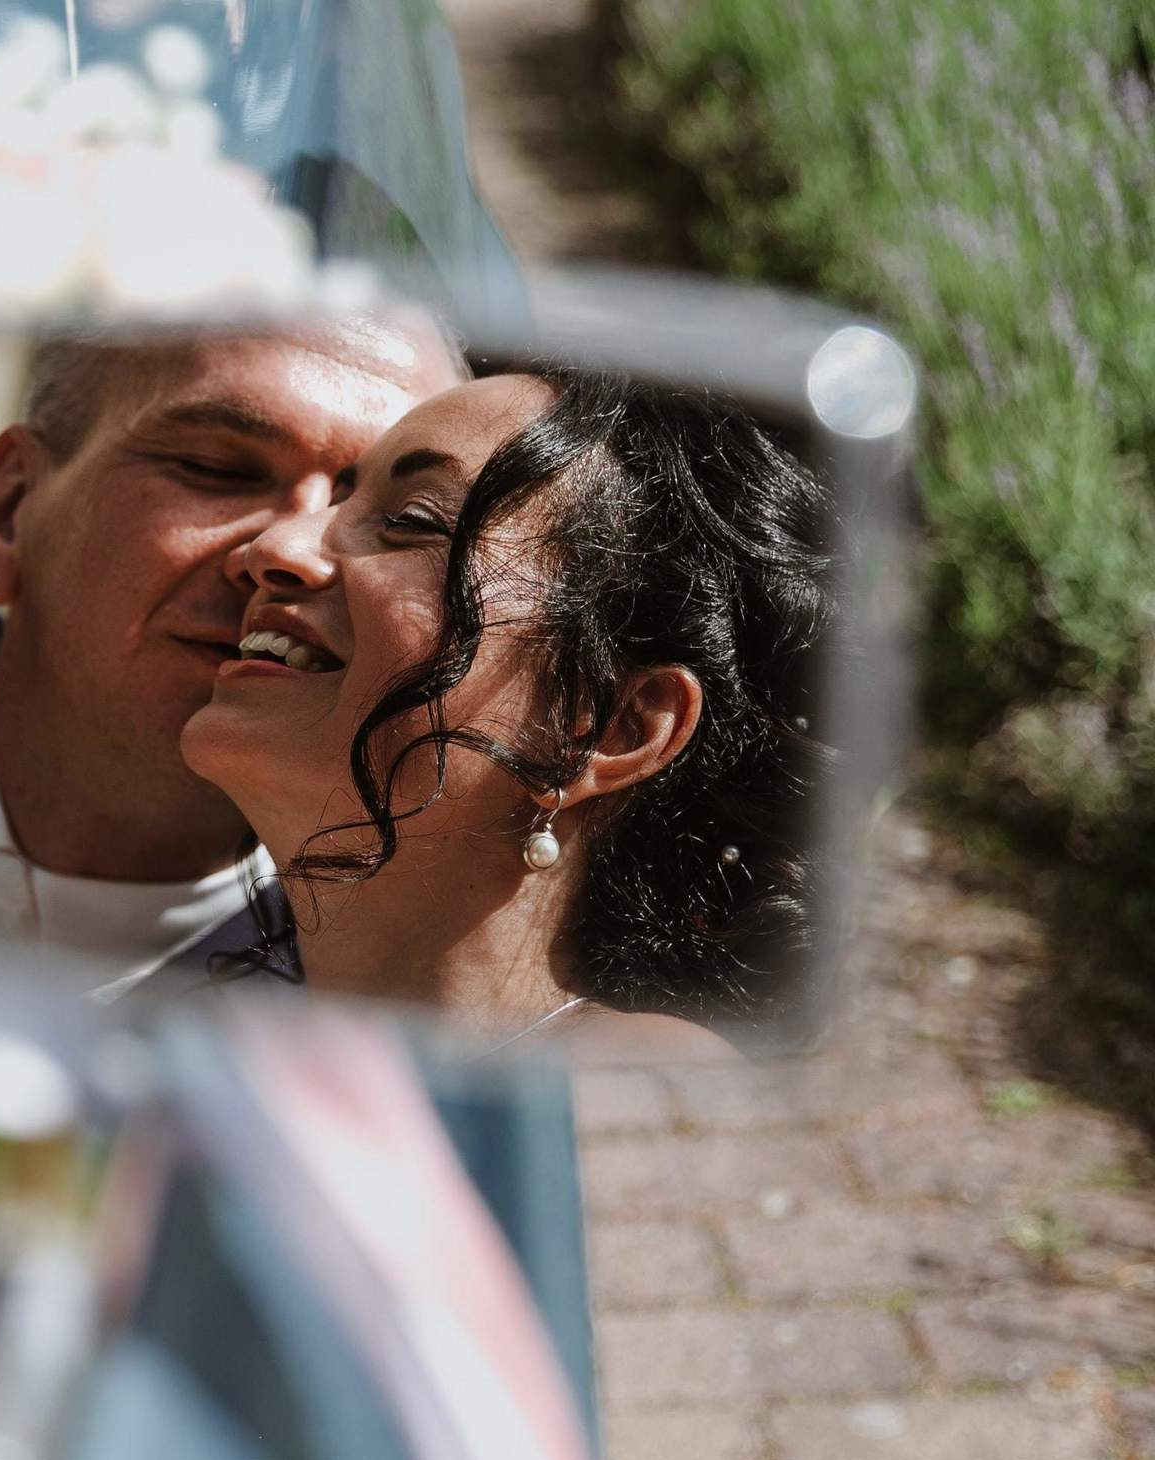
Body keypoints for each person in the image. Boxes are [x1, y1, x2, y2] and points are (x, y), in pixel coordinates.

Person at [177, 366, 836, 1058]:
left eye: (410, 521)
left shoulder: (642, 1078)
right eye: (340, 504)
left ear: (609, 728)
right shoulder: (202, 1040)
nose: (271, 548)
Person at [0, 310, 468, 995]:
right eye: (214, 468)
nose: (290, 552)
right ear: (9, 512)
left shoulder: (384, 1017)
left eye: (401, 522)